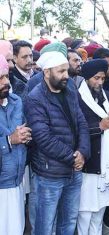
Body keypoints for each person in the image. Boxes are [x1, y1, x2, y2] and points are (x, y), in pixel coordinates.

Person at [24, 51, 90, 235]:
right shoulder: (35, 98)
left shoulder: (70, 89)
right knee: (45, 227)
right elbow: (43, 138)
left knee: (68, 222)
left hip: (74, 170)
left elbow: (82, 122)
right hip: (49, 174)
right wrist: (73, 157)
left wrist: (83, 152)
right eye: (61, 71)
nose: (66, 76)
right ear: (47, 72)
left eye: (66, 71)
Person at [77, 59, 109, 235]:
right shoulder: (76, 97)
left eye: (103, 78)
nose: (99, 82)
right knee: (85, 214)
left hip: (106, 164)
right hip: (88, 165)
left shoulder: (108, 97)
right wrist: (100, 127)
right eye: (96, 78)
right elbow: (75, 132)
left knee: (99, 213)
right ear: (87, 77)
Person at [0, 55, 32, 235]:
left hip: (17, 180)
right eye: (0, 78)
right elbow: (11, 138)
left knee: (16, 229)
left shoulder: (16, 101)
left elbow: (23, 128)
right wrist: (9, 140)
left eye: (6, 76)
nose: (6, 82)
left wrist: (26, 136)